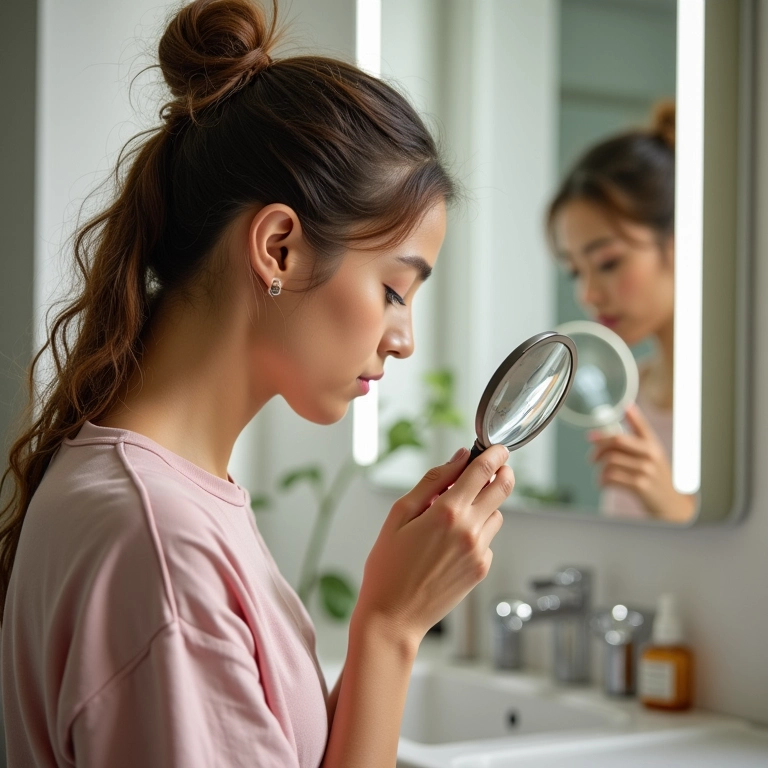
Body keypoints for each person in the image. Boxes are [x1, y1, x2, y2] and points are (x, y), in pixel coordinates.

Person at [0, 1, 514, 765]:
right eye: (395, 291)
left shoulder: (150, 498)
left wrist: (390, 616)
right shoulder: (162, 547)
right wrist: (390, 630)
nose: (403, 341)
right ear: (278, 248)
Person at [546, 103, 695, 523]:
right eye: (576, 271)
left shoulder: (743, 406)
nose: (588, 294)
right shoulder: (632, 393)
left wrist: (671, 504)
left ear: (679, 242)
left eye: (609, 262)